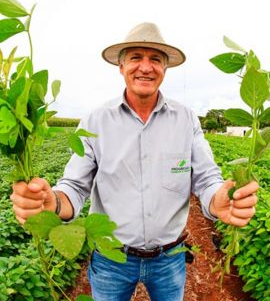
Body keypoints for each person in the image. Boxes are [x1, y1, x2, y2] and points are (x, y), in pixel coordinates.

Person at [11, 22, 258, 301]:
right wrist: (52, 202)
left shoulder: (186, 119)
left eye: (155, 59)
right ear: (121, 66)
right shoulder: (96, 121)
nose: (146, 67)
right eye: (135, 58)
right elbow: (74, 186)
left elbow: (205, 178)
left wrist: (217, 198)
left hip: (170, 258)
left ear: (165, 69)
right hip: (110, 260)